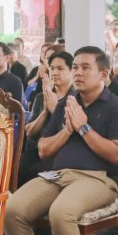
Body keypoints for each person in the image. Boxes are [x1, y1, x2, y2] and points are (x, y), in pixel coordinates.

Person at [3, 47, 118, 235]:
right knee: (12, 208)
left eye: (85, 67)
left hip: (97, 180)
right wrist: (68, 130)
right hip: (58, 175)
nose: (78, 73)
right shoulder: (66, 104)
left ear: (104, 74)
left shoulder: (116, 107)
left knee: (61, 212)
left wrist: (84, 127)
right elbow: (43, 149)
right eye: (75, 67)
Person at [19, 50, 74, 184]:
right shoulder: (41, 97)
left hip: (62, 152)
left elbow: (72, 133)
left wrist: (55, 110)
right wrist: (45, 111)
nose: (54, 72)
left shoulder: (75, 99)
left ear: (71, 71)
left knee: (35, 173)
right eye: (52, 68)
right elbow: (29, 132)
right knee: (19, 165)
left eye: (60, 68)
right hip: (39, 149)